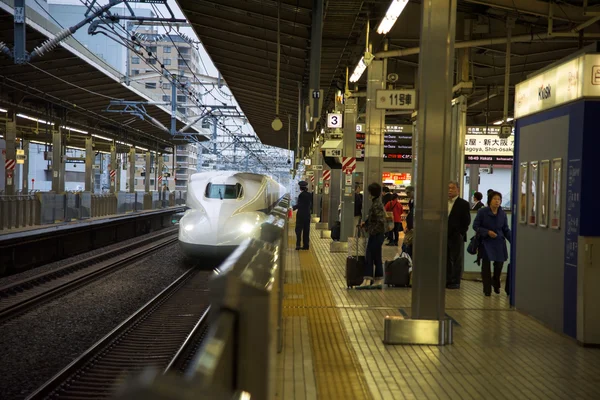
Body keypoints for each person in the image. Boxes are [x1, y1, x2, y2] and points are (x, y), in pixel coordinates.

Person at [473, 191, 511, 296]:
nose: (497, 201)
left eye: (499, 199)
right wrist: (487, 232)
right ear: (490, 200)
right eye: (495, 199)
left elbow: (506, 229)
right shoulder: (482, 212)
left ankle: (496, 281)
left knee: (499, 264)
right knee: (486, 265)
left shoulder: (502, 214)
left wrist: (513, 240)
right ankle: (487, 289)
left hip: (499, 241)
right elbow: (475, 226)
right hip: (486, 241)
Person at [359, 182, 386, 287]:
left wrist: (372, 230)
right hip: (376, 234)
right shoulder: (376, 203)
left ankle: (370, 279)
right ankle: (375, 279)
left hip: (376, 235)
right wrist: (366, 223)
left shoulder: (377, 205)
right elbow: (373, 218)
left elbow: (380, 221)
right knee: (375, 256)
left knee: (371, 256)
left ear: (371, 193)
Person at [447, 181, 471, 289]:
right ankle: (446, 279)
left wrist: (461, 233)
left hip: (456, 236)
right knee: (446, 258)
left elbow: (466, 221)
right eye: (448, 188)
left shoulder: (463, 204)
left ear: (458, 189)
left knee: (456, 259)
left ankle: (455, 281)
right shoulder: (443, 202)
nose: (450, 190)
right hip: (444, 235)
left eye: (452, 188)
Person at [293, 181, 312, 250]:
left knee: (298, 230)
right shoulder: (309, 194)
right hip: (307, 215)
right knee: (306, 231)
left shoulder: (301, 195)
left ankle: (298, 245)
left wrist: (293, 207)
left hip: (301, 215)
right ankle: (306, 245)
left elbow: (300, 204)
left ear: (300, 188)